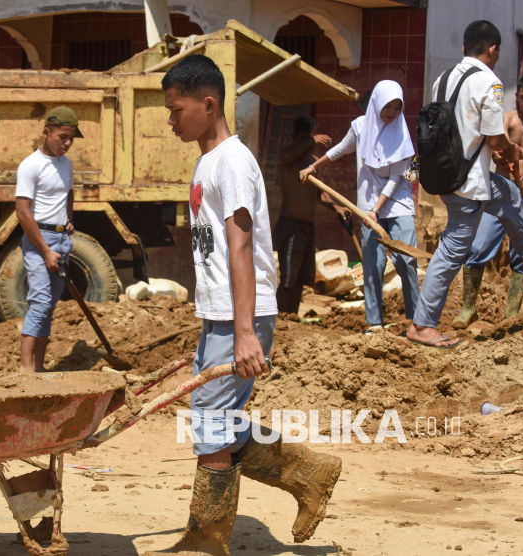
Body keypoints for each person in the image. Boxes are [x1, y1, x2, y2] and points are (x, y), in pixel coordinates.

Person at [146, 54, 341, 556]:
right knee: (215, 420)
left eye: (176, 109)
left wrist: (246, 330)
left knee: (210, 425)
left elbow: (240, 246)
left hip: (241, 314)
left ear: (208, 105)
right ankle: (308, 473)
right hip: (224, 313)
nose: (170, 119)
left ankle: (206, 540)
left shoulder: (232, 161)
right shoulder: (208, 159)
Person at [407, 20, 523, 349]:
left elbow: (459, 130)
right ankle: (422, 325)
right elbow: (494, 136)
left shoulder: (443, 79)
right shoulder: (489, 81)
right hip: (468, 185)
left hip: (447, 175)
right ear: (493, 49)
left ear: (464, 49)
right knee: (451, 250)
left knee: (510, 196)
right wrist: (509, 151)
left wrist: (493, 155)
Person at [301, 80, 420, 334]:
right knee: (373, 264)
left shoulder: (402, 133)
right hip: (367, 205)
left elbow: (396, 179)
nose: (392, 112)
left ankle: (417, 320)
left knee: (406, 260)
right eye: (387, 106)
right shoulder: (360, 127)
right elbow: (339, 150)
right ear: (376, 103)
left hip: (396, 202)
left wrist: (377, 209)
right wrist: (313, 167)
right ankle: (375, 321)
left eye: (397, 107)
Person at [454, 74, 523, 326]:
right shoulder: (506, 120)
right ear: (517, 96)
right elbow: (499, 155)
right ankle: (467, 309)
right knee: (478, 247)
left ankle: (511, 316)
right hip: (502, 192)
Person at [14, 107, 80, 372]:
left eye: (71, 139)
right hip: (38, 240)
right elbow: (22, 210)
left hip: (61, 239)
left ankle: (40, 368)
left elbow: (69, 193)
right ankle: (25, 370)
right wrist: (44, 250)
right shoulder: (31, 165)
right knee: (40, 302)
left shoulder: (66, 164)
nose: (67, 143)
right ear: (46, 132)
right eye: (62, 136)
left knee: (49, 306)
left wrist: (68, 217)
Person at [274, 117, 351, 315]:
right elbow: (282, 156)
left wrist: (337, 208)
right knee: (289, 278)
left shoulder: (313, 163)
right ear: (296, 137)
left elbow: (320, 194)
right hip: (290, 226)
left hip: (307, 229)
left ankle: (292, 316)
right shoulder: (288, 160)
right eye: (308, 138)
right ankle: (281, 317)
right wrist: (311, 140)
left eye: (315, 138)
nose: (313, 143)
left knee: (301, 278)